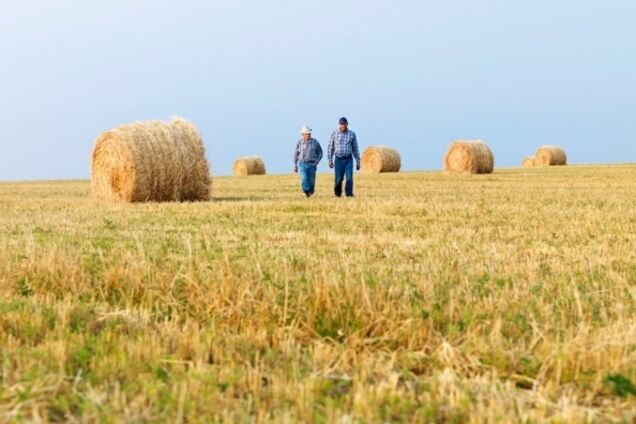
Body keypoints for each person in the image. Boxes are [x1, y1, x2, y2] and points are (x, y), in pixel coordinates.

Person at [328, 117, 360, 197]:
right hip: (338, 159)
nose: (342, 126)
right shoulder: (334, 133)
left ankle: (349, 194)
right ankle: (337, 193)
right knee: (338, 179)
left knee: (349, 178)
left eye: (343, 124)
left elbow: (355, 148)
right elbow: (330, 147)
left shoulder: (352, 134)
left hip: (348, 159)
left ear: (347, 124)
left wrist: (358, 161)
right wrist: (330, 160)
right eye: (340, 124)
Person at [293, 126, 323, 197]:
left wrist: (317, 162)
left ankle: (310, 193)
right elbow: (295, 154)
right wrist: (295, 165)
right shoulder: (299, 143)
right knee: (304, 178)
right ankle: (307, 191)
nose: (308, 135)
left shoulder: (315, 142)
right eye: (306, 134)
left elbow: (321, 153)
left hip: (312, 165)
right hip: (302, 164)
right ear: (302, 134)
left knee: (311, 181)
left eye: (309, 134)